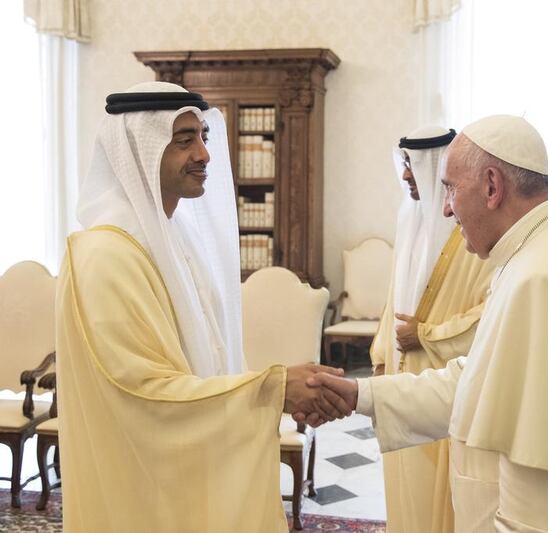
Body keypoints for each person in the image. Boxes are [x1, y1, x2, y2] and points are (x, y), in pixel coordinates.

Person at [298, 115, 548, 532]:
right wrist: (359, 394)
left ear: (493, 187)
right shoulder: (541, 253)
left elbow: (543, 499)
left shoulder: (543, 277)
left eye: (451, 189)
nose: (445, 207)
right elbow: (479, 380)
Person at [56, 81, 347, 532]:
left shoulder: (171, 240)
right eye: (183, 140)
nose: (204, 155)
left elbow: (204, 362)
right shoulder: (106, 256)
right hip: (142, 491)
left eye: (203, 138)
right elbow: (145, 397)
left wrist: (275, 386)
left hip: (182, 475)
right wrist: (270, 390)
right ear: (139, 151)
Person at [372, 126, 493, 533]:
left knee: (441, 498)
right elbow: (394, 300)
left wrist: (426, 334)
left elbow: (490, 316)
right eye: (404, 164)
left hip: (446, 385)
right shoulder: (410, 223)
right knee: (404, 490)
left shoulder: (473, 233)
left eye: (415, 166)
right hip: (401, 377)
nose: (406, 175)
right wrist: (380, 354)